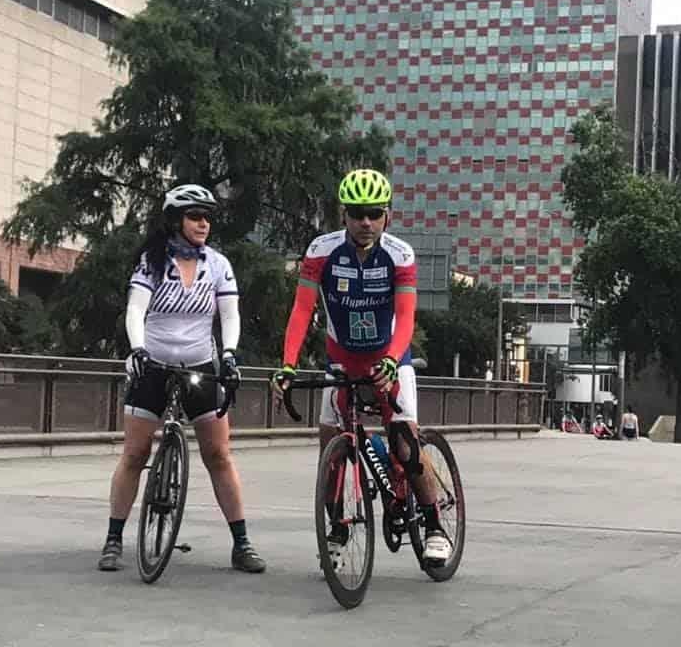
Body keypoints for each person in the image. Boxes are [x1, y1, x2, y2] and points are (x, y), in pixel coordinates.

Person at [271, 168, 451, 565]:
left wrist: (391, 359)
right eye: (356, 214)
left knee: (405, 443)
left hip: (390, 357)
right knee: (331, 451)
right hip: (342, 358)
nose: (365, 222)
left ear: (387, 215)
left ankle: (435, 525)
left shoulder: (400, 254)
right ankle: (336, 529)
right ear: (344, 215)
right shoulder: (321, 251)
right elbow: (301, 311)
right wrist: (287, 366)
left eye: (374, 213)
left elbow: (406, 317)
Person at [97, 184, 266, 574]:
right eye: (195, 216)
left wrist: (229, 354)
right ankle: (113, 539)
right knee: (135, 454)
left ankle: (242, 543)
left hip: (200, 365)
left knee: (219, 455)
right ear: (175, 221)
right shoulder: (152, 262)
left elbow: (230, 315)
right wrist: (138, 349)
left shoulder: (219, 265)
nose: (203, 223)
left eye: (207, 217)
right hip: (153, 364)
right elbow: (135, 310)